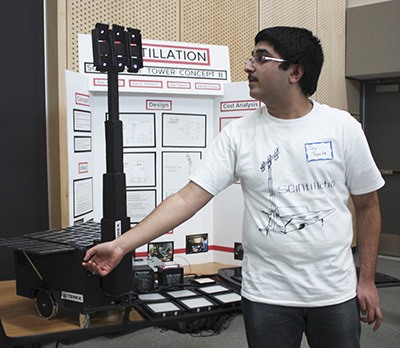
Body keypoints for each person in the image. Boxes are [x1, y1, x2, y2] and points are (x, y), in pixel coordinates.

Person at [83, 26, 384, 347]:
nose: (248, 66)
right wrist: (121, 246)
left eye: (261, 57)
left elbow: (368, 206)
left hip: (333, 291)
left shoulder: (342, 128)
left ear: (295, 72)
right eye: (250, 56)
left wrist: (366, 280)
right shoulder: (238, 135)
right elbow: (187, 198)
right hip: (267, 294)